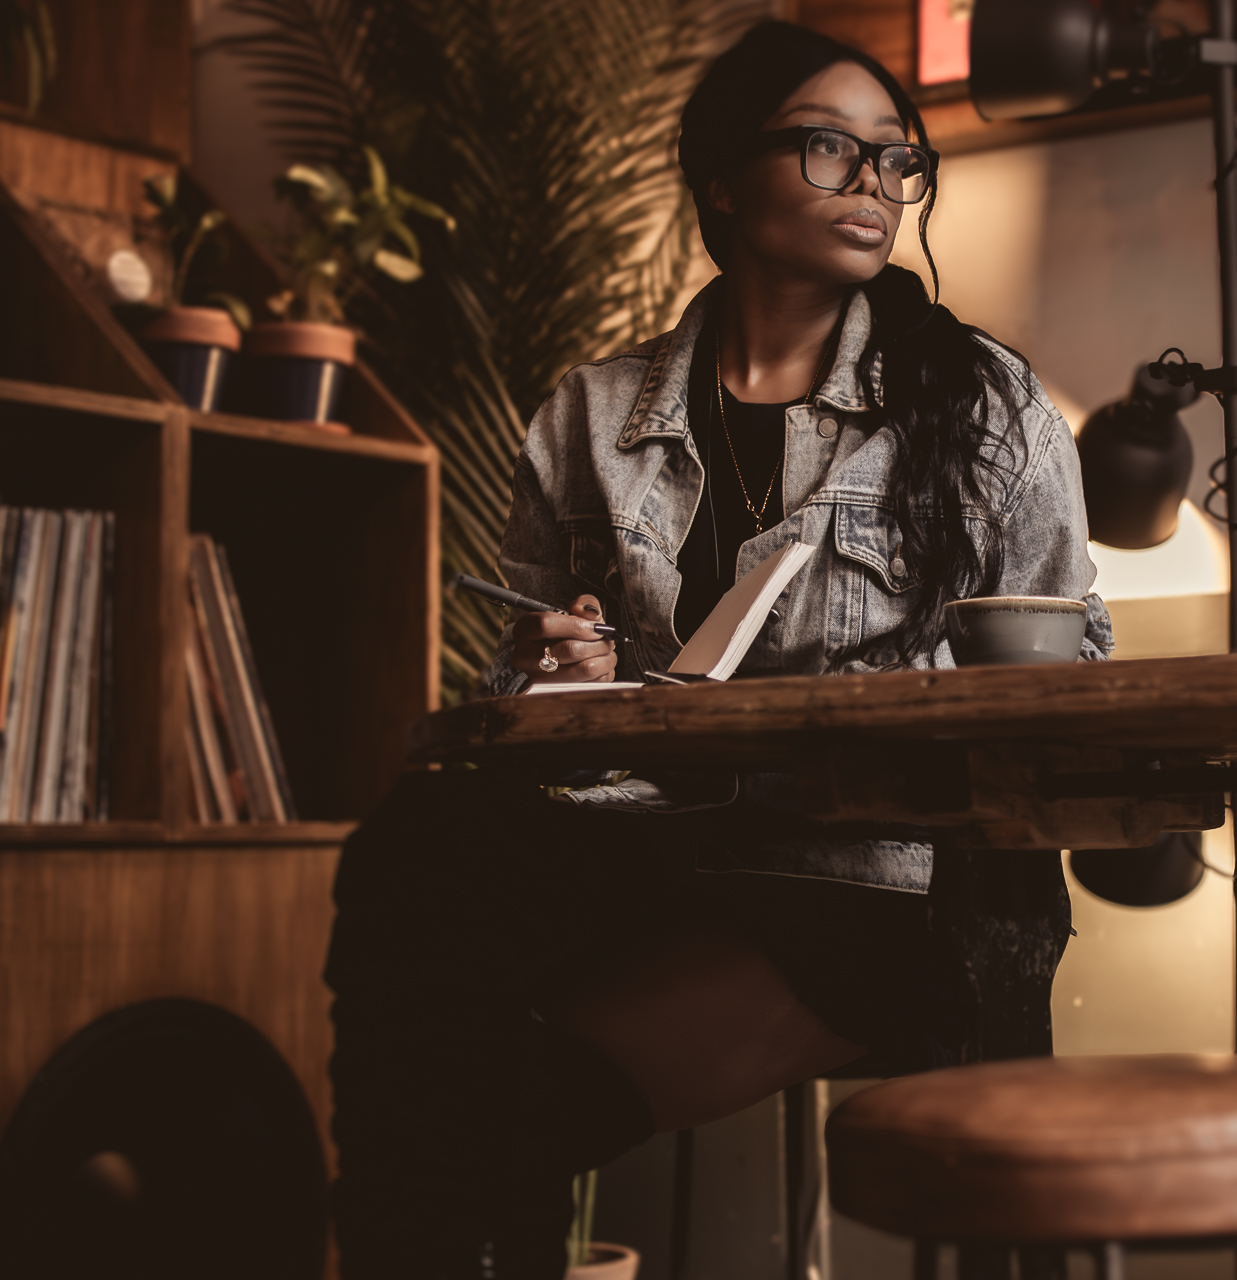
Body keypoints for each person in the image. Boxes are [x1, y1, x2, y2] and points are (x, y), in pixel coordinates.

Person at [325, 20, 1111, 1279]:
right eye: (827, 148)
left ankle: (383, 1242)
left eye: (892, 160)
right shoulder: (590, 413)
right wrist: (556, 672)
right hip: (642, 848)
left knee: (469, 1121)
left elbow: (1069, 676)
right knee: (417, 844)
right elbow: (524, 696)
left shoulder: (979, 403)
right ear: (723, 185)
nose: (872, 184)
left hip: (879, 878)